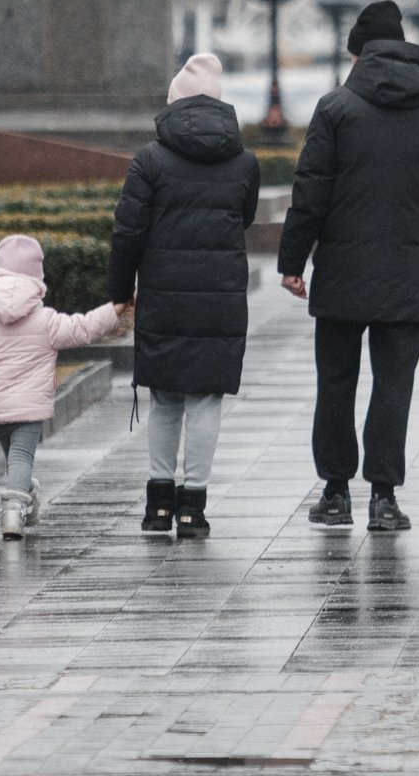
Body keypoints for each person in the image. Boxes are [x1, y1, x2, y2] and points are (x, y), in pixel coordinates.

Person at [277, 0, 419, 533]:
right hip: (408, 271)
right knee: (394, 384)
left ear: (357, 54)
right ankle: (384, 499)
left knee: (336, 381)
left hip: (342, 269)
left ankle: (335, 493)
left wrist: (293, 261)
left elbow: (310, 193)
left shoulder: (335, 108)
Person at [108, 52, 261, 540]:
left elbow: (127, 233)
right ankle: (193, 508)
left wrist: (120, 293)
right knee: (206, 400)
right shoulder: (245, 161)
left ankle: (158, 506)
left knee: (165, 397)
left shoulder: (150, 160)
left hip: (164, 296)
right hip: (220, 298)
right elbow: (245, 218)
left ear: (174, 103)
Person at [0, 234, 124, 540]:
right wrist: (114, 311)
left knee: (15, 458)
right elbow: (84, 328)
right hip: (29, 408)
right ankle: (13, 512)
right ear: (37, 279)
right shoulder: (46, 321)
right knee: (22, 456)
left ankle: (28, 499)